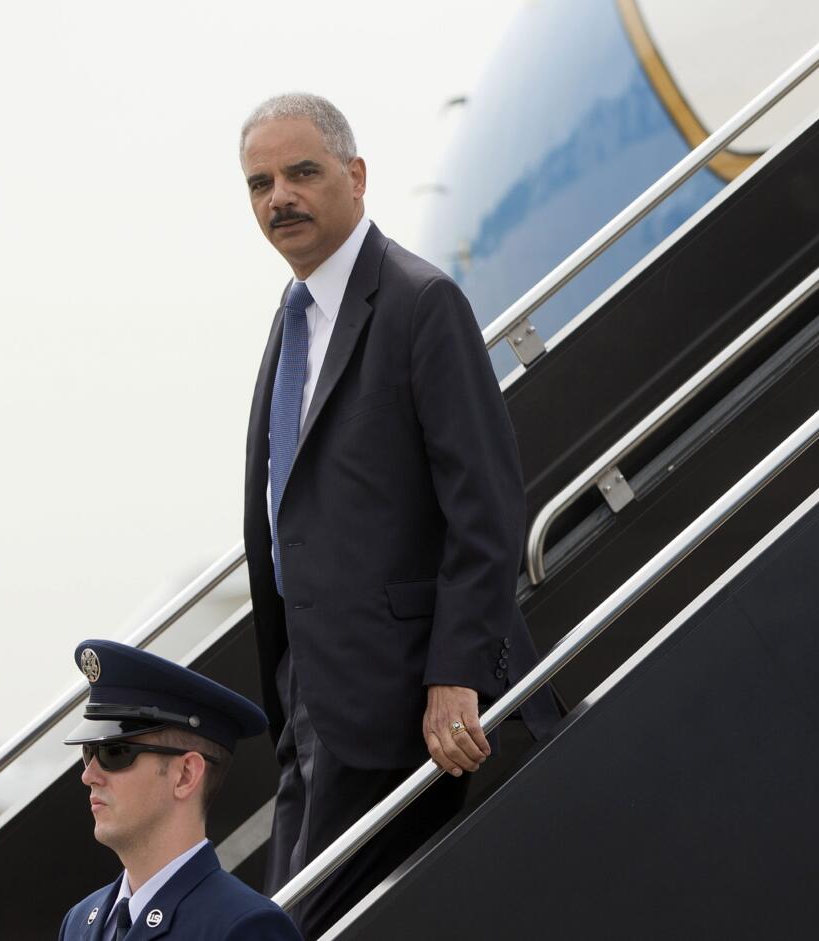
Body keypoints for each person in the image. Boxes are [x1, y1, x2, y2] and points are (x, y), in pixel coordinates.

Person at [240, 92, 562, 937]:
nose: (280, 197)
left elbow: (486, 505)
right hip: (309, 699)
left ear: (355, 176)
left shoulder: (420, 302)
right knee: (288, 919)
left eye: (302, 172)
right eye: (261, 182)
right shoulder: (293, 319)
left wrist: (454, 674)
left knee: (310, 924)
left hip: (398, 705)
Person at [57, 639, 302, 941]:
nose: (89, 775)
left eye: (114, 752)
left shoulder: (244, 928)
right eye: (88, 752)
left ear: (186, 774)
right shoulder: (80, 921)